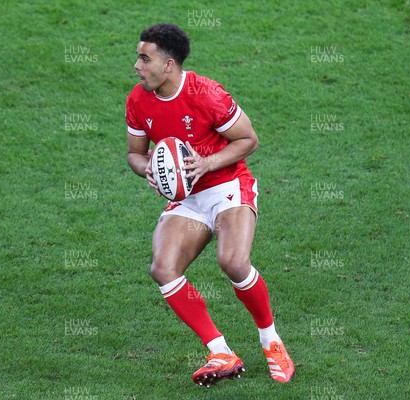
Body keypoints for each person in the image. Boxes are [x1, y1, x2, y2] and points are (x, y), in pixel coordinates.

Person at [125, 23, 294, 386]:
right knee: (163, 268)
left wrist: (207, 163)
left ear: (169, 64)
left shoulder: (206, 94)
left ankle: (271, 341)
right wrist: (150, 171)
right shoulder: (138, 100)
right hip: (187, 197)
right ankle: (220, 351)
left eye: (144, 58)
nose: (137, 66)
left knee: (232, 261)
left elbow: (248, 138)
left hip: (227, 185)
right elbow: (134, 155)